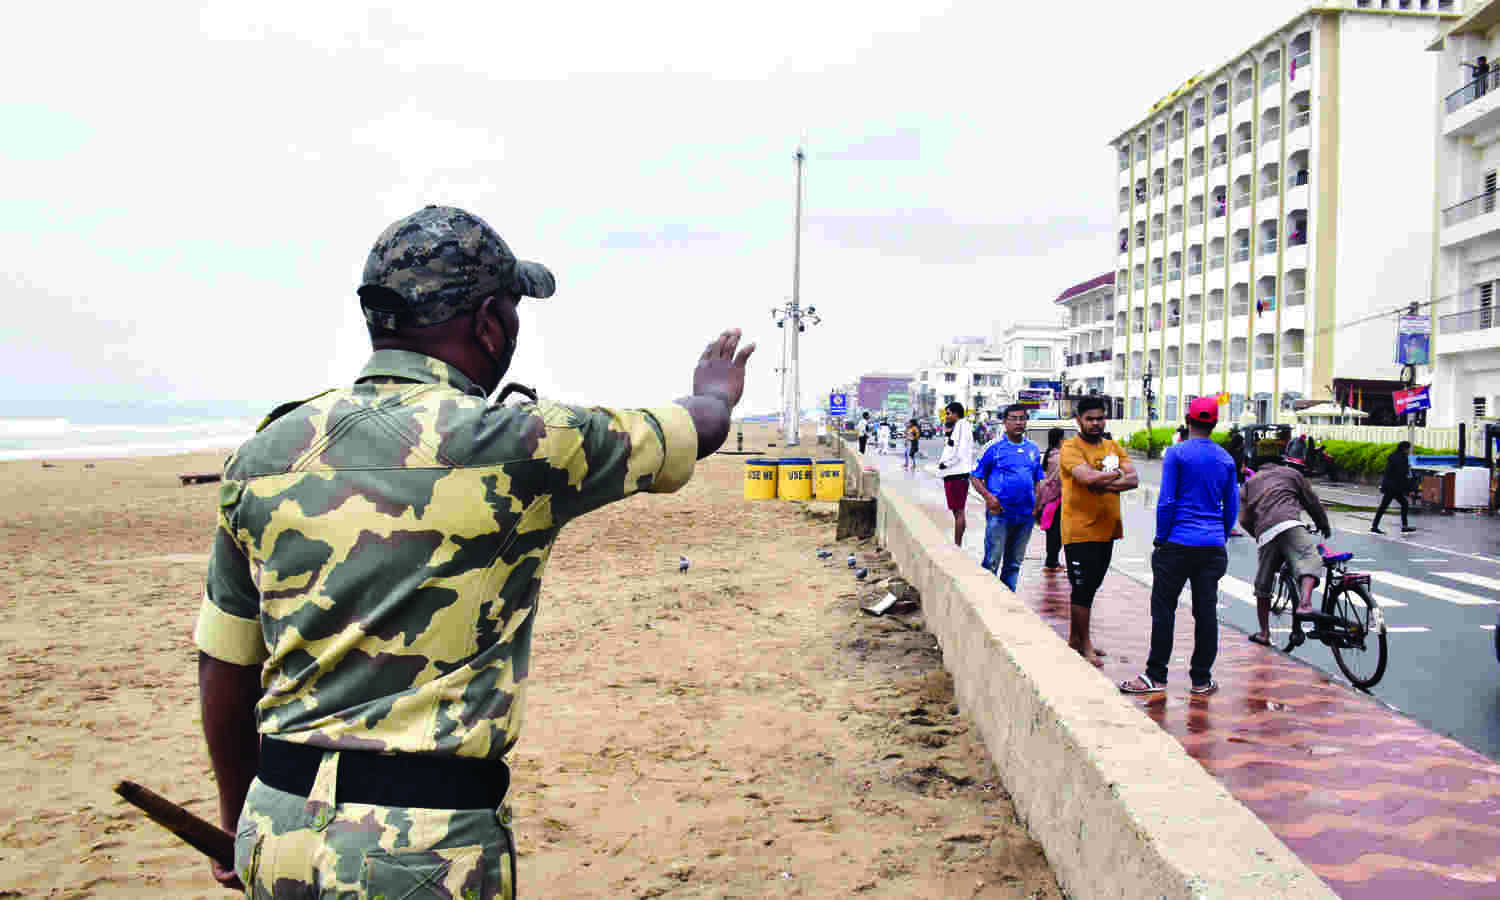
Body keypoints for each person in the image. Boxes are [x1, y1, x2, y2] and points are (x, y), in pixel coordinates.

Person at [194, 205, 755, 898]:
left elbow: (225, 659)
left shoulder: (264, 455)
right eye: (515, 312)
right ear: (490, 323)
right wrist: (714, 392)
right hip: (421, 847)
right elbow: (694, 430)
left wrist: (238, 817)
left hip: (274, 827)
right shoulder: (518, 445)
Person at [1120, 398, 1237, 697]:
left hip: (1177, 543)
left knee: (1164, 610)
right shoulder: (1226, 459)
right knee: (1206, 612)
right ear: (1214, 423)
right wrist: (1218, 536)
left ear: (1187, 419)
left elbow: (1167, 501)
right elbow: (1231, 508)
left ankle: (1156, 676)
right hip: (1211, 547)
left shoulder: (1177, 453)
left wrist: (1161, 538)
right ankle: (1201, 680)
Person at [1059, 396, 1138, 664]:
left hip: (1108, 529)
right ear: (1078, 420)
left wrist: (1102, 481)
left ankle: (1074, 640)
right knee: (1082, 588)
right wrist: (1115, 477)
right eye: (1090, 419)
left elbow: (1134, 479)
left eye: (1100, 418)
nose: (1095, 423)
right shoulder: (1070, 448)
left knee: (1090, 588)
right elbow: (1086, 478)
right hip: (1080, 530)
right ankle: (1086, 645)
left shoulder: (1112, 446)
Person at [1239, 453, 1331, 647]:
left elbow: (1244, 520)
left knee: (1263, 584)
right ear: (1281, 464)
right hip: (1290, 524)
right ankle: (1305, 603)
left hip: (1266, 531)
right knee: (1310, 558)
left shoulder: (1249, 484)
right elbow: (1312, 502)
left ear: (1257, 468)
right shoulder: (1292, 474)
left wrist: (1259, 535)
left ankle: (1264, 634)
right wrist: (1323, 524)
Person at [970, 405, 1045, 591]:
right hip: (1000, 515)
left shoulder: (1033, 449)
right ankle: (986, 601)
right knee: (992, 562)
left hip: (1025, 516)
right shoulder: (993, 448)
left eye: (1022, 418)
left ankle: (1008, 602)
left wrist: (1037, 504)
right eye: (1014, 418)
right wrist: (988, 497)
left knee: (1013, 564)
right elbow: (975, 476)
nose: (1019, 422)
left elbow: (1038, 479)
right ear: (1005, 422)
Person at [936, 401, 976, 547]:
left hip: (956, 474)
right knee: (957, 511)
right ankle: (957, 544)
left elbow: (958, 453)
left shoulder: (962, 426)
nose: (946, 416)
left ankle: (957, 545)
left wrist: (945, 464)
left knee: (958, 512)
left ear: (955, 413)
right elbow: (951, 446)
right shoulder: (959, 427)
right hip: (954, 474)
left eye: (948, 413)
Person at [1372, 440, 1417, 534]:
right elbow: (1403, 475)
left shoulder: (1394, 456)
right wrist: (1410, 489)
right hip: (1393, 487)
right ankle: (1375, 527)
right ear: (1405, 449)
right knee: (1385, 506)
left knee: (1401, 504)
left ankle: (1376, 526)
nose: (1409, 451)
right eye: (1409, 449)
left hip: (1390, 486)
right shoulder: (1402, 459)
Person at [1037, 427, 1066, 570]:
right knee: (1056, 532)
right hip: (1056, 498)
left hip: (1049, 497)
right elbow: (1060, 480)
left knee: (1052, 531)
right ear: (1060, 439)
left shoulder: (1050, 454)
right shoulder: (1058, 457)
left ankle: (1052, 559)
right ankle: (1052, 560)